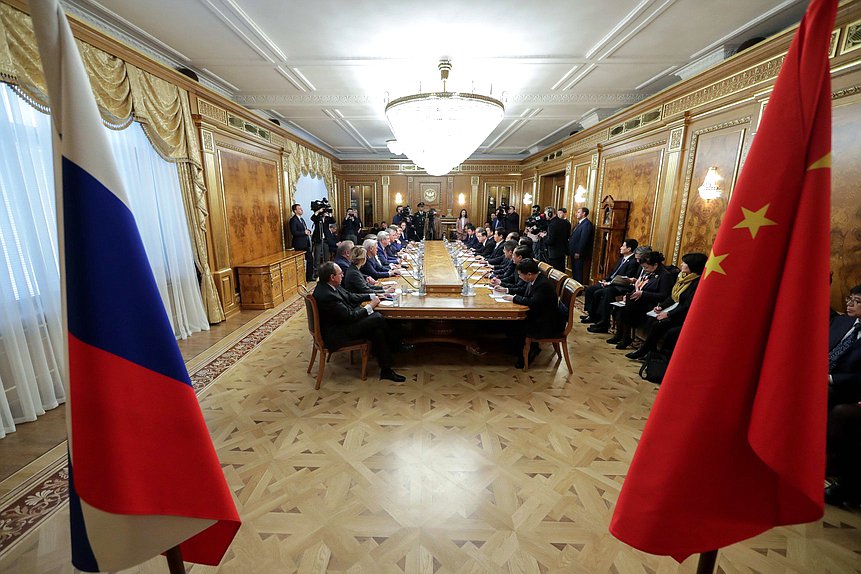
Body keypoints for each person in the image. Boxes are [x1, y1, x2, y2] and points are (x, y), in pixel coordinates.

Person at [312, 262, 408, 382]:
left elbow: (350, 296)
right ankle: (395, 345)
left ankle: (386, 368)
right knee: (378, 317)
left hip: (341, 324)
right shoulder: (327, 295)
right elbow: (350, 317)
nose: (342, 275)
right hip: (336, 334)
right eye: (340, 274)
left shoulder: (329, 285)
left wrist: (374, 296)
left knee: (377, 331)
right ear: (332, 277)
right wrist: (371, 306)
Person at [625, 252, 708, 360]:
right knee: (652, 320)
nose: (681, 264)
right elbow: (672, 297)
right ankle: (650, 352)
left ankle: (651, 353)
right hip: (674, 308)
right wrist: (662, 307)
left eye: (684, 263)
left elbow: (687, 305)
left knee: (660, 326)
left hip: (683, 314)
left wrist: (668, 314)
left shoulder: (697, 283)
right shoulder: (683, 278)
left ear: (693, 266)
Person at [825, 286, 861, 507]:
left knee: (826, 400)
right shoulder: (841, 323)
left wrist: (829, 379)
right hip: (822, 379)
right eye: (850, 298)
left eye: (857, 301)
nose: (850, 304)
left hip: (846, 387)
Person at [500, 258, 565, 369]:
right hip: (539, 316)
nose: (519, 277)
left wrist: (514, 298)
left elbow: (532, 302)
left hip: (546, 323)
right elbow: (523, 292)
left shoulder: (543, 285)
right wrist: (506, 290)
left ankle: (528, 354)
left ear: (529, 274)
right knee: (509, 323)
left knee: (515, 324)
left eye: (520, 275)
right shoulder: (535, 279)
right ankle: (516, 348)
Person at [606, 251, 675, 349]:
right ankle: (620, 335)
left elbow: (663, 295)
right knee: (621, 308)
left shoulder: (665, 276)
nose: (644, 269)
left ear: (655, 264)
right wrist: (630, 295)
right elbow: (640, 285)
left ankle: (626, 338)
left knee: (627, 309)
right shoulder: (649, 272)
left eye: (646, 267)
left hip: (653, 304)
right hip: (640, 300)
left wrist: (643, 294)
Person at [581, 239, 640, 330]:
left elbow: (626, 278)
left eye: (623, 246)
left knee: (602, 292)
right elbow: (613, 272)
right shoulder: (621, 259)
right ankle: (592, 315)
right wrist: (605, 280)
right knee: (590, 289)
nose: (621, 248)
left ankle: (603, 321)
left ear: (629, 249)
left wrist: (609, 283)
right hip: (611, 282)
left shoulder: (633, 262)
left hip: (620, 286)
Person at [568, 207, 594, 283]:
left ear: (584, 213)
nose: (576, 214)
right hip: (573, 251)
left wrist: (578, 252)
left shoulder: (586, 224)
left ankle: (578, 288)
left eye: (578, 212)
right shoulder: (579, 223)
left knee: (578, 271)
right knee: (574, 270)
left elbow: (583, 240)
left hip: (578, 253)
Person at [290, 203, 314, 282]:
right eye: (299, 209)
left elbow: (304, 229)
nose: (302, 210)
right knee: (302, 262)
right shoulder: (293, 220)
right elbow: (294, 232)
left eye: (301, 208)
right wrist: (304, 232)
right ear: (295, 211)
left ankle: (309, 277)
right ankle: (302, 278)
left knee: (310, 259)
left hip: (306, 243)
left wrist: (308, 231)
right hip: (299, 244)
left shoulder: (302, 219)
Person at [544, 206, 571, 272]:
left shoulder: (552, 225)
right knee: (561, 271)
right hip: (562, 251)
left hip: (554, 253)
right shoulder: (564, 222)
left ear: (550, 213)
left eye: (546, 214)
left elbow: (550, 241)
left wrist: (544, 236)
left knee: (555, 273)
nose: (545, 216)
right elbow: (567, 236)